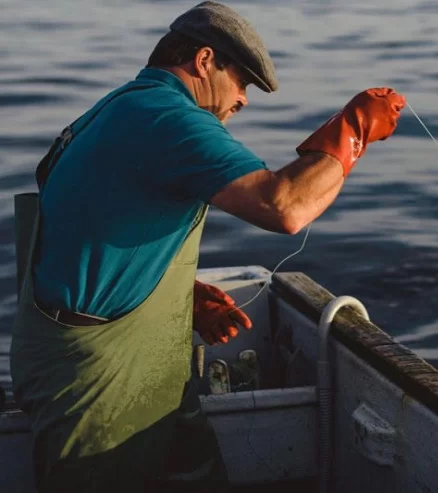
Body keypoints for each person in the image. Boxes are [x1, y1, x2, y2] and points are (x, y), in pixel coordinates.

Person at [9, 1, 405, 492]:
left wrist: (180, 296)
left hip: (130, 361)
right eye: (241, 81)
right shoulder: (165, 117)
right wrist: (354, 129)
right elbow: (285, 206)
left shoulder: (120, 108)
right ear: (203, 62)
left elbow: (87, 226)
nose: (243, 100)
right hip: (101, 381)